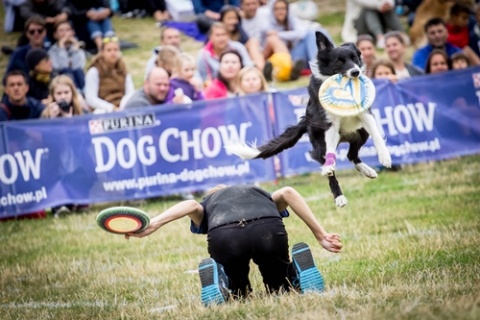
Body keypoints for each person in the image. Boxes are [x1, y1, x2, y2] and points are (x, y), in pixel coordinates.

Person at [126, 184, 342, 305]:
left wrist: (153, 224)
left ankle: (220, 281)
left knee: (237, 293)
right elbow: (288, 192)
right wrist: (320, 235)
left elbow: (190, 205)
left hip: (226, 234)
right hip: (267, 228)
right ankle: (296, 270)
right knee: (279, 288)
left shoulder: (209, 203)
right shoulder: (254, 191)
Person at [40, 75, 87, 217]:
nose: (63, 97)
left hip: (77, 162)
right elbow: (46, 144)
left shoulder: (81, 112)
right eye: (59, 93)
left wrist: (71, 123)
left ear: (73, 93)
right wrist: (53, 123)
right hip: (55, 163)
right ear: (53, 96)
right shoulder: (46, 115)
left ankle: (77, 200)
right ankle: (59, 205)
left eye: (66, 93)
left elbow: (85, 142)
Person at [84, 36, 135, 113]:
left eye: (115, 50)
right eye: (109, 50)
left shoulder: (123, 70)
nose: (113, 53)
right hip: (103, 109)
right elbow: (91, 98)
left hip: (123, 107)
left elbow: (130, 92)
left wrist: (122, 106)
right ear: (102, 52)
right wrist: (111, 108)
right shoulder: (94, 71)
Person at [196, 22, 253, 86]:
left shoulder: (238, 48)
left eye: (223, 34)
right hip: (216, 88)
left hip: (240, 84)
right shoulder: (203, 55)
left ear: (228, 35)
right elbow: (201, 78)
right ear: (211, 37)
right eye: (217, 35)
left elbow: (249, 67)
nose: (221, 39)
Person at [219, 5, 268, 76]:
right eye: (229, 18)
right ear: (222, 20)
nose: (232, 21)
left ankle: (262, 71)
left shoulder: (238, 29)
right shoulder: (216, 31)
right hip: (225, 62)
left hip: (242, 60)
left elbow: (246, 43)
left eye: (235, 18)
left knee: (253, 41)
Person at [48, 20, 86, 90]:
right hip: (60, 81)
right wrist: (61, 47)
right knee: (66, 70)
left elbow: (78, 66)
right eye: (61, 30)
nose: (65, 33)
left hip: (79, 81)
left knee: (78, 71)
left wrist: (75, 49)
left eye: (68, 30)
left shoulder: (77, 48)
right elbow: (61, 67)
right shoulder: (52, 52)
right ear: (55, 35)